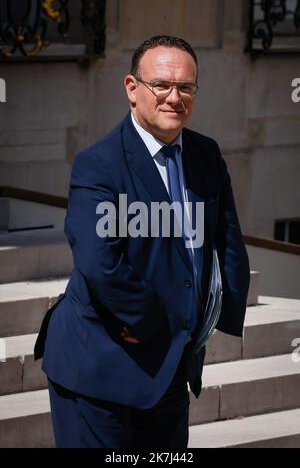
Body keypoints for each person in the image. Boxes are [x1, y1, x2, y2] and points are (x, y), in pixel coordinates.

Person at [34, 35, 250, 448]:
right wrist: (157, 323)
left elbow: (227, 238)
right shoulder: (98, 165)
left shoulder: (206, 154)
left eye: (186, 87)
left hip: (170, 368)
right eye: (161, 85)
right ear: (132, 89)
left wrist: (216, 315)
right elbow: (101, 263)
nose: (174, 97)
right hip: (99, 365)